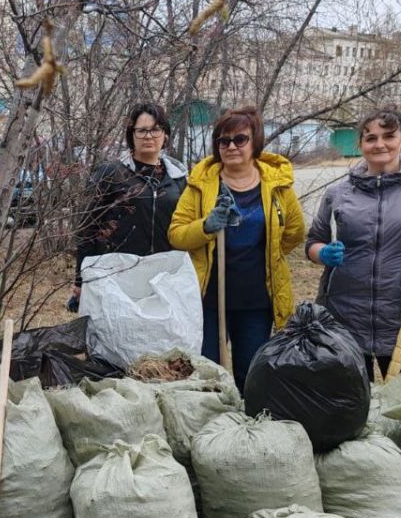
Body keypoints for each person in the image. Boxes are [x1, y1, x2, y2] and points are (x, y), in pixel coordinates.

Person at [307, 108, 401, 387]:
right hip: (345, 320)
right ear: (360, 145)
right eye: (371, 138)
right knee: (351, 412)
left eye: (389, 136)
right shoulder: (338, 194)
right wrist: (324, 254)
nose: (380, 144)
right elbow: (313, 241)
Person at [168, 106, 305, 391]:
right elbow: (177, 235)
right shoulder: (201, 184)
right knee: (207, 373)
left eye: (239, 139)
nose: (231, 146)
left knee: (250, 370)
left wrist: (270, 253)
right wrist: (206, 225)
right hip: (210, 295)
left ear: (255, 141)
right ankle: (211, 425)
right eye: (223, 140)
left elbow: (294, 232)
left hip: (256, 297)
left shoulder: (276, 184)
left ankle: (246, 425)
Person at [70, 102, 188, 310]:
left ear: (165, 134)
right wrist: (81, 279)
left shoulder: (178, 178)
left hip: (164, 277)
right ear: (131, 135)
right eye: (141, 130)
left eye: (155, 129)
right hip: (118, 276)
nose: (148, 136)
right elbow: (87, 227)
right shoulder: (111, 173)